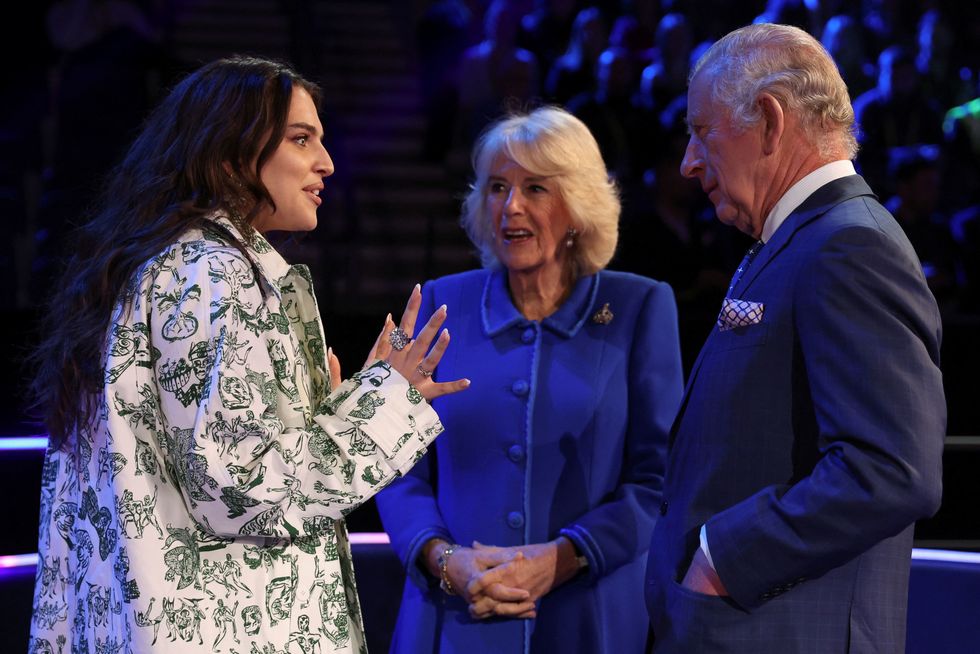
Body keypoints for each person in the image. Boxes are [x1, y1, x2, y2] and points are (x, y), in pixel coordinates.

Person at [27, 55, 469, 654]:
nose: (326, 163)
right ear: (232, 152)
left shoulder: (159, 266)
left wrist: (331, 412)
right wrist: (387, 402)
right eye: (301, 139)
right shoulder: (215, 275)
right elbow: (241, 489)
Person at [644, 23, 946, 653]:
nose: (688, 162)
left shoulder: (849, 246)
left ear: (771, 121)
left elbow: (891, 469)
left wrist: (722, 557)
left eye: (701, 131)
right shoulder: (801, 239)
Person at [376, 105, 684, 653]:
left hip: (589, 620)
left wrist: (562, 559)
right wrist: (447, 561)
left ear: (577, 206)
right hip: (451, 619)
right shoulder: (438, 304)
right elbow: (395, 468)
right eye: (497, 187)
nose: (511, 206)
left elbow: (659, 481)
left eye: (536, 189)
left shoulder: (639, 308)